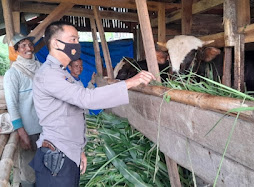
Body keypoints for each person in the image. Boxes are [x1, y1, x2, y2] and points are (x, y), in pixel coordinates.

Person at [30, 21, 155, 187]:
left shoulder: (61, 73)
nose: (77, 44)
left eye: (77, 39)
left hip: (67, 154)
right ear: (56, 43)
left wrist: (79, 150)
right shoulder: (49, 75)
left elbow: (70, 116)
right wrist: (128, 83)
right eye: (73, 39)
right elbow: (86, 98)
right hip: (56, 159)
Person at [3, 33, 42, 187]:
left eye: (29, 44)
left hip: (45, 127)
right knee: (29, 170)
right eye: (23, 45)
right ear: (17, 51)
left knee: (44, 167)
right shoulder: (12, 74)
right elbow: (11, 105)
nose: (28, 48)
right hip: (28, 130)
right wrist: (21, 132)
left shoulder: (40, 67)